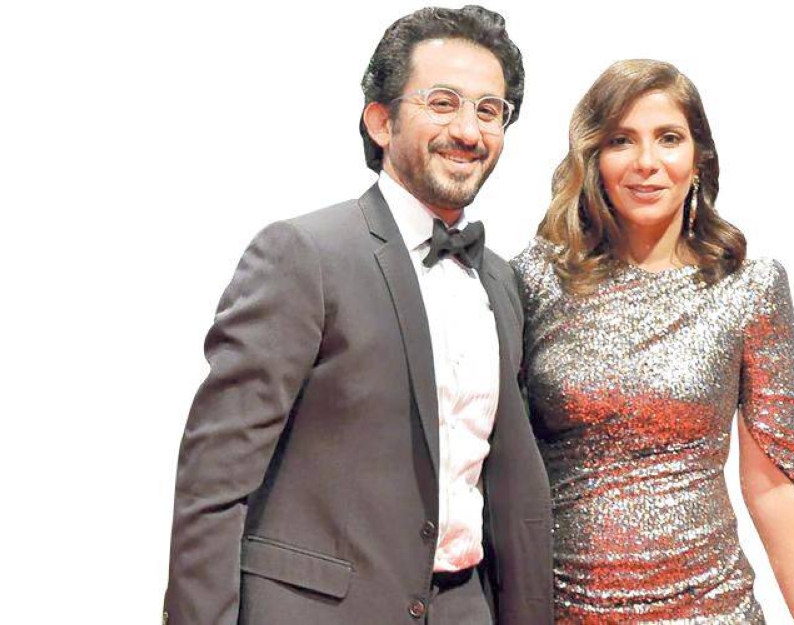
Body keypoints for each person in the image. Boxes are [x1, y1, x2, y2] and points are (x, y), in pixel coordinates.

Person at [163, 6, 553, 624]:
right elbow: (214, 483)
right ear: (380, 120)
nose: (469, 131)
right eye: (443, 103)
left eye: (489, 111)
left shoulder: (501, 281)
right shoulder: (303, 255)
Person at [511, 59, 794, 623]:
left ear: (698, 158)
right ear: (594, 158)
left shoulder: (749, 288)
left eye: (669, 138)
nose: (646, 162)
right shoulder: (535, 280)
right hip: (564, 610)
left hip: (712, 609)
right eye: (621, 140)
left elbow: (774, 485)